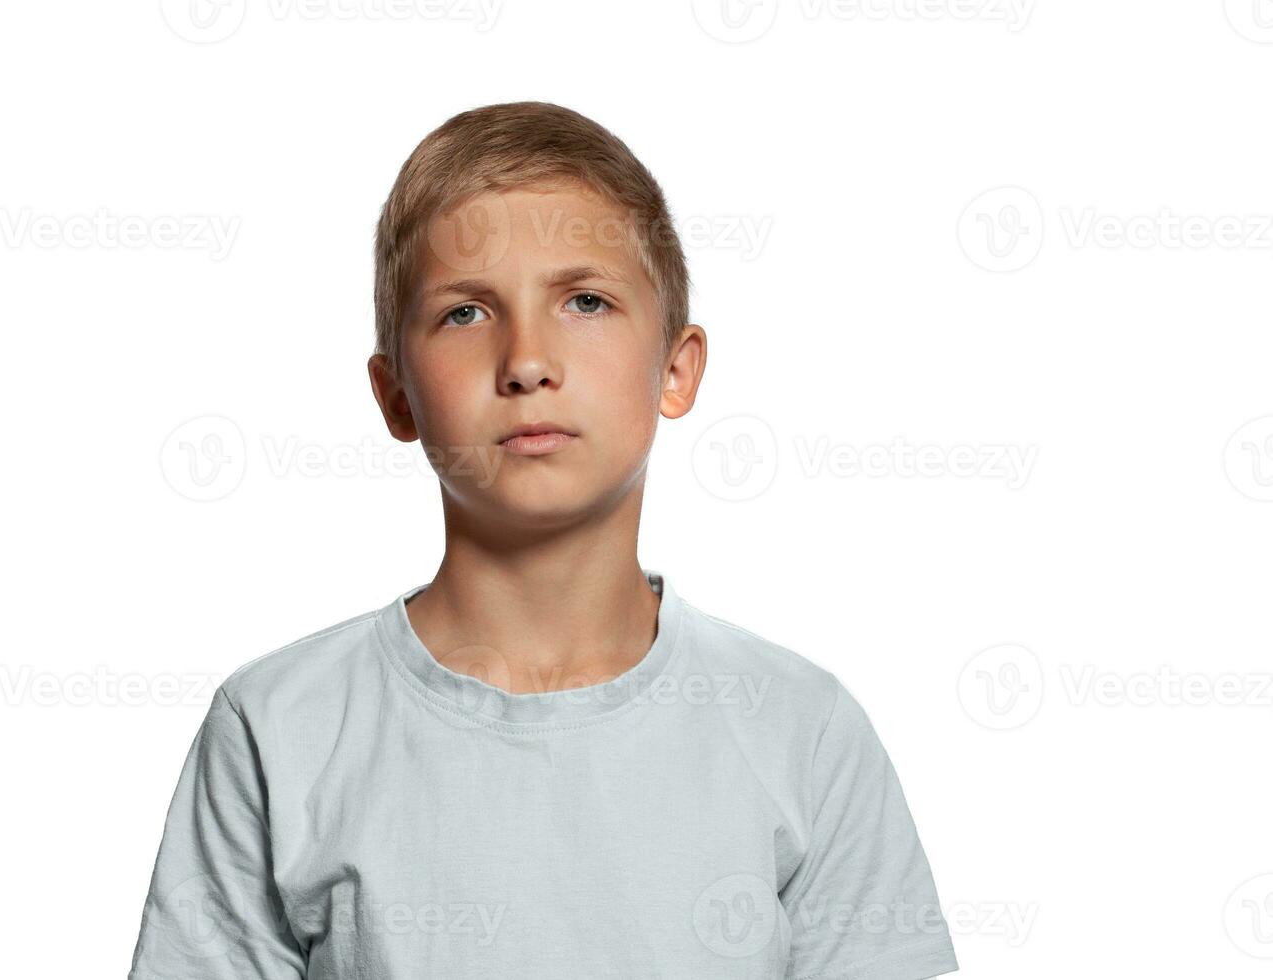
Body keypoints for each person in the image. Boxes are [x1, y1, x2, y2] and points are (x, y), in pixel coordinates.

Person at [127, 100, 958, 980]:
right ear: (396, 394)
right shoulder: (277, 727)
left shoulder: (803, 730)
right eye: (465, 314)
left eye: (586, 300)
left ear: (675, 370)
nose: (527, 360)